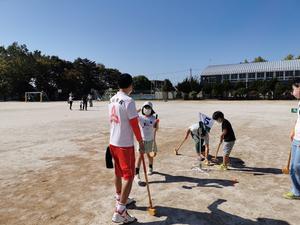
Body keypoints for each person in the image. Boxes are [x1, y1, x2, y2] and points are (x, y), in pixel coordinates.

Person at [109, 73, 144, 223]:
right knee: (129, 177)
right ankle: (120, 211)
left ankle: (120, 197)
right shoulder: (129, 101)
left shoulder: (112, 99)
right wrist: (141, 141)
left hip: (113, 142)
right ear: (130, 85)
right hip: (124, 145)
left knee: (118, 172)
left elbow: (120, 118)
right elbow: (134, 124)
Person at [135, 101, 159, 183]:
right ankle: (137, 173)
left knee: (150, 155)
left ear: (151, 109)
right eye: (145, 107)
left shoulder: (154, 118)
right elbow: (132, 114)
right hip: (142, 140)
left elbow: (156, 129)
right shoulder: (140, 117)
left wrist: (157, 125)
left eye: (149, 107)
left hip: (150, 140)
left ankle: (150, 167)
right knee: (140, 157)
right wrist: (139, 109)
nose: (147, 109)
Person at [284, 82, 300, 200]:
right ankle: (296, 190)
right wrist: (293, 130)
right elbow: (298, 119)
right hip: (296, 138)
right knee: (294, 167)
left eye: (294, 89)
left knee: (296, 166)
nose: (292, 92)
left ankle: (297, 192)